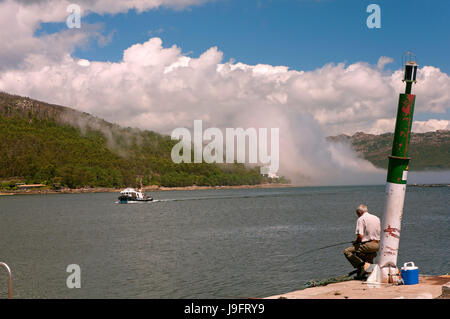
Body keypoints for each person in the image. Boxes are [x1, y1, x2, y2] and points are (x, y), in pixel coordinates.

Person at [344, 204, 380, 277]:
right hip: (378, 245)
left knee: (347, 251)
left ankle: (362, 265)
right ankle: (369, 273)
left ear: (359, 212)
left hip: (368, 245)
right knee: (367, 255)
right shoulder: (376, 218)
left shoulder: (361, 219)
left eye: (357, 214)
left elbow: (360, 236)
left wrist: (356, 242)